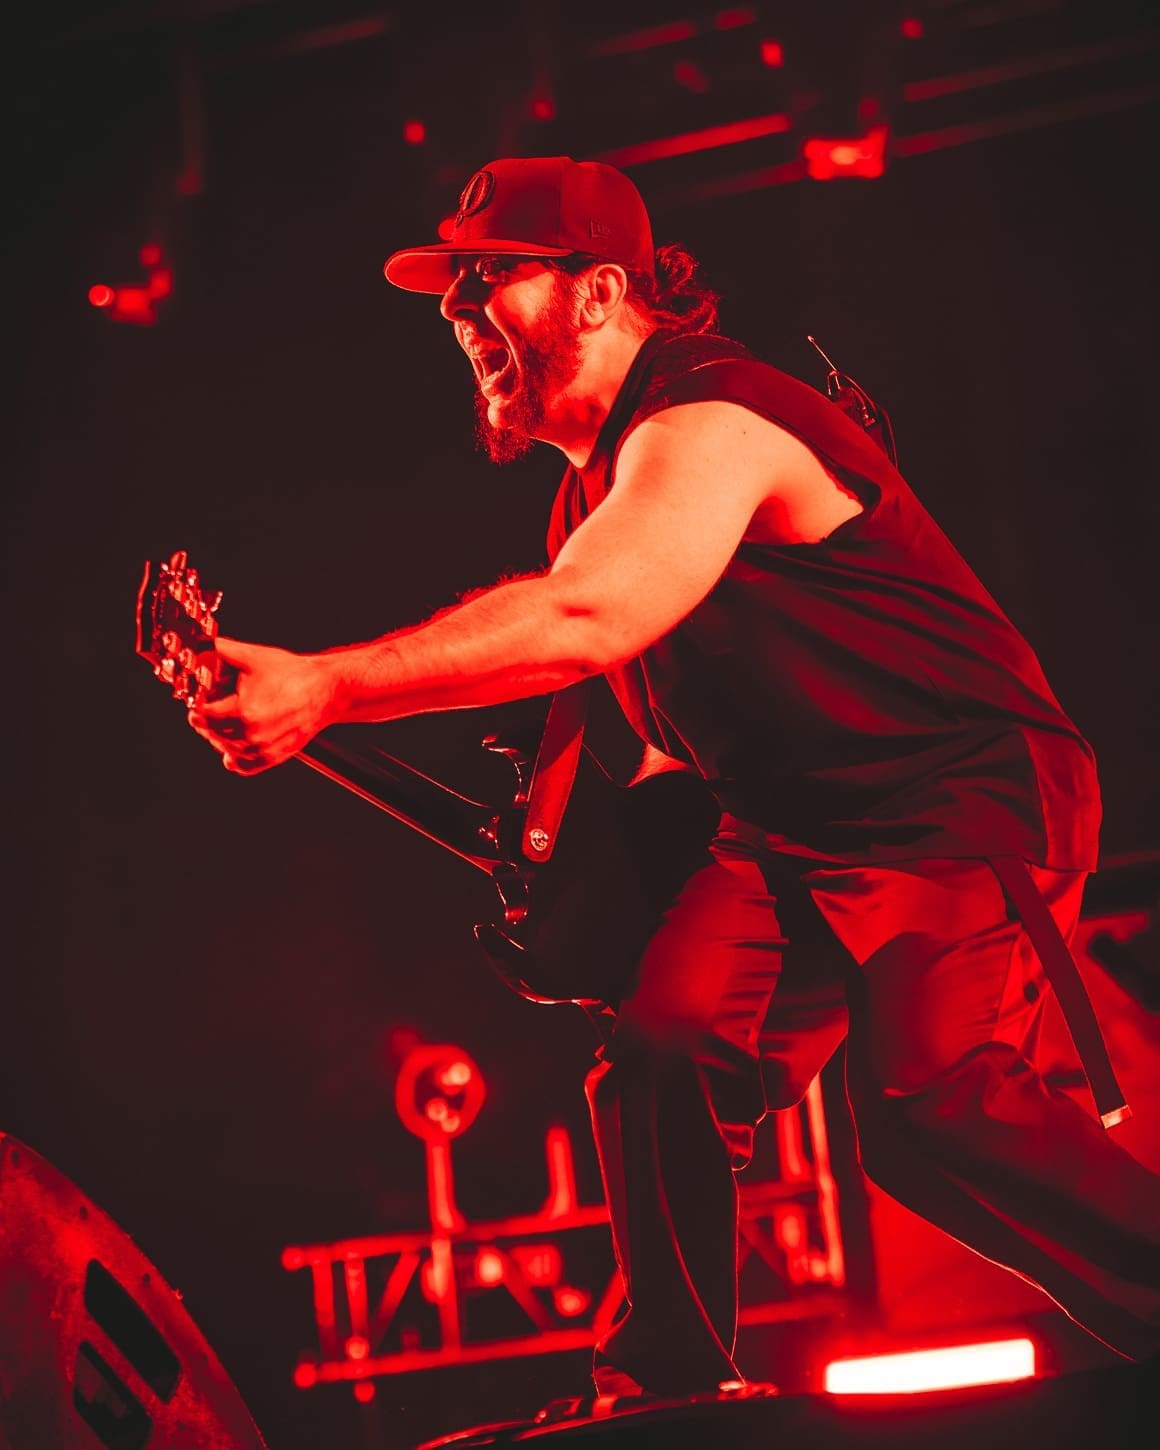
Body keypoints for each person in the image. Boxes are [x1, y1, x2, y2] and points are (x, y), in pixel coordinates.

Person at [188, 155, 1160, 1400]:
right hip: (791, 828)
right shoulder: (584, 494)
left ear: (598, 293)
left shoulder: (712, 418)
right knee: (664, 1047)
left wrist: (325, 684)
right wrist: (562, 859)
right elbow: (644, 739)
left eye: (490, 281)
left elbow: (585, 615)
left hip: (955, 796)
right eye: (449, 292)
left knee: (927, 1102)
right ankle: (663, 1387)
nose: (457, 313)